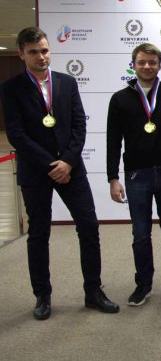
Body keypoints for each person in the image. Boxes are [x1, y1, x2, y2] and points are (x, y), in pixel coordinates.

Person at [1, 27, 119, 319]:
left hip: (71, 169)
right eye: (33, 52)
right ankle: (42, 296)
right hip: (35, 171)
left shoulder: (67, 83)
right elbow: (16, 134)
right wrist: (51, 165)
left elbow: (79, 125)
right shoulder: (11, 88)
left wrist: (66, 162)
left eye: (44, 50)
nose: (41, 57)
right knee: (39, 234)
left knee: (89, 227)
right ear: (22, 54)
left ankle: (93, 291)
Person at [106, 8, 161, 306]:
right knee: (140, 235)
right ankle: (143, 284)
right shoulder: (119, 99)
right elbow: (112, 141)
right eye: (141, 62)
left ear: (159, 65)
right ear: (133, 65)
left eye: (152, 62)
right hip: (136, 176)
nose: (146, 66)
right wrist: (112, 177)